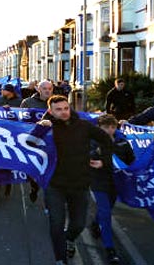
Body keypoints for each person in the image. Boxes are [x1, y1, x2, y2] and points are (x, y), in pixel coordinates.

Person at [37, 95, 113, 265]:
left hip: (80, 184)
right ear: (50, 111)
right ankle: (60, 259)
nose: (64, 112)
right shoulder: (47, 128)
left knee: (78, 224)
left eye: (66, 108)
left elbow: (107, 140)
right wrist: (40, 129)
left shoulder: (84, 126)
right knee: (56, 224)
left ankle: (69, 239)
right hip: (54, 185)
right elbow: (30, 143)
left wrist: (104, 161)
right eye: (59, 110)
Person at [88, 114, 135, 264]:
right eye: (106, 127)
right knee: (106, 213)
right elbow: (87, 158)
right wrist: (97, 154)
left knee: (107, 208)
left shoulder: (122, 142)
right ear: (99, 127)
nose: (109, 130)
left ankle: (95, 223)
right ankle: (110, 249)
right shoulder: (92, 140)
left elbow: (131, 161)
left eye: (112, 127)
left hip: (116, 182)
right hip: (99, 181)